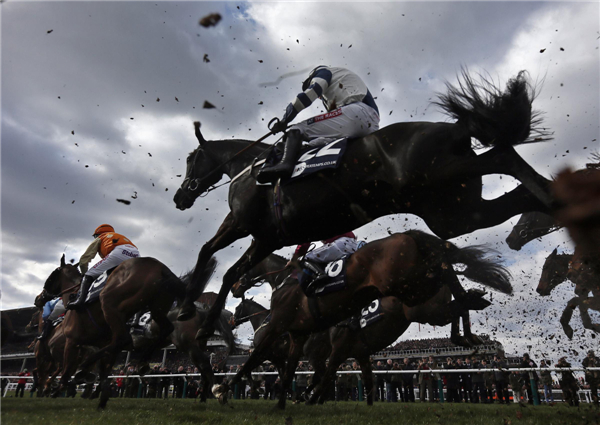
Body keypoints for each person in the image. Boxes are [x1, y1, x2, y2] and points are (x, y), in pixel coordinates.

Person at [257, 65, 380, 183]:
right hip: (371, 124)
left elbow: (311, 92)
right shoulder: (341, 83)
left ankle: (285, 165)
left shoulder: (323, 72)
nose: (320, 98)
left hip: (356, 113)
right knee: (315, 144)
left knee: (297, 128)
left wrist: (285, 120)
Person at [68, 224, 139, 310]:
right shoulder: (121, 237)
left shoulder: (101, 237)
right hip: (136, 254)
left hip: (118, 253)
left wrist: (84, 275)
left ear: (97, 234)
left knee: (89, 274)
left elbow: (84, 260)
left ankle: (80, 301)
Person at [292, 232, 361, 295]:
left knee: (307, 258)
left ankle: (320, 274)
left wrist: (294, 258)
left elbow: (305, 242)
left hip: (340, 244)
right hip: (354, 244)